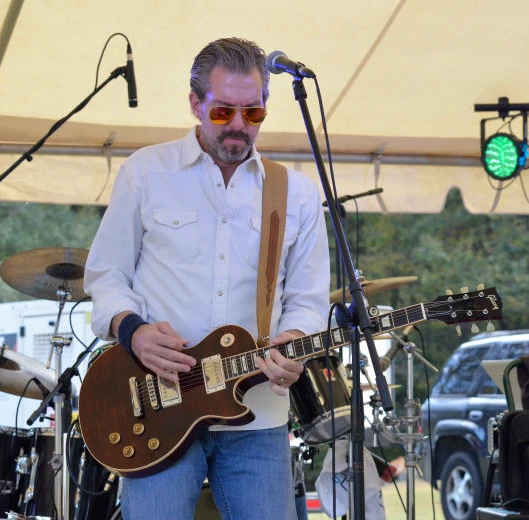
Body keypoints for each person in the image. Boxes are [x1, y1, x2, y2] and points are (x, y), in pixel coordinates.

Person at [84, 37, 330, 520]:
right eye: (223, 112)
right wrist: (132, 332)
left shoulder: (296, 194)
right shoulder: (146, 173)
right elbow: (106, 275)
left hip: (258, 414)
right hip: (157, 406)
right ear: (195, 103)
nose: (239, 125)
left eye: (253, 113)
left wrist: (296, 338)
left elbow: (307, 298)